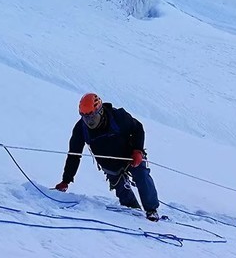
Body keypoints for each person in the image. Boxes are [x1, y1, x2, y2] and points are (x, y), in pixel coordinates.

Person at [54, 93, 161, 221]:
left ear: (100, 111)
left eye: (92, 116)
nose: (89, 121)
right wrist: (66, 180)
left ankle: (151, 210)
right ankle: (133, 213)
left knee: (142, 176)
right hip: (109, 165)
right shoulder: (80, 129)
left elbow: (138, 128)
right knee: (122, 189)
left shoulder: (118, 117)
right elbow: (74, 155)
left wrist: (138, 150)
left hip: (130, 157)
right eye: (85, 117)